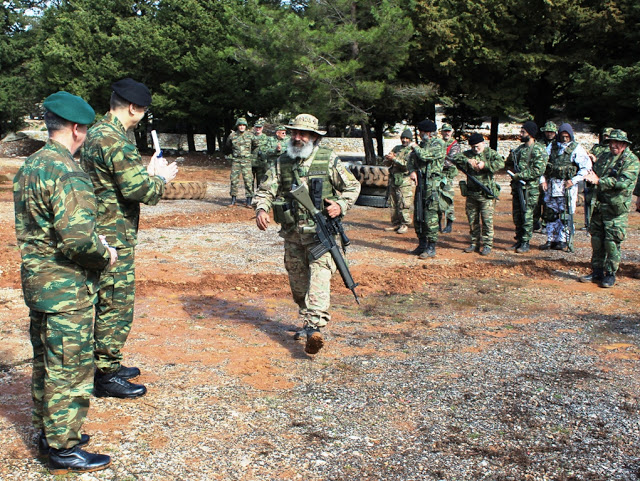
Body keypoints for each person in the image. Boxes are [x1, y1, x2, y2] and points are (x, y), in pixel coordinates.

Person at [14, 91, 117, 474]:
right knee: (69, 368)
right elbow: (77, 240)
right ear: (76, 128)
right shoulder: (67, 171)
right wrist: (105, 254)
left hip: (40, 285)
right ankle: (64, 447)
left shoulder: (32, 165)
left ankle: (50, 431)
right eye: (86, 129)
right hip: (66, 290)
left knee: (46, 363)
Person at [81, 78, 178, 399]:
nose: (142, 116)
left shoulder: (97, 132)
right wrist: (161, 179)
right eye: (142, 111)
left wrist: (146, 172)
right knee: (116, 304)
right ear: (133, 107)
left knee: (109, 300)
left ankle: (109, 363)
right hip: (114, 237)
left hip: (101, 229)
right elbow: (139, 191)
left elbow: (119, 181)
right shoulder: (117, 141)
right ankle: (107, 375)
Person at [254, 114, 360, 354]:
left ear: (313, 137)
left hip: (320, 234)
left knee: (320, 277)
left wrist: (340, 205)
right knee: (298, 285)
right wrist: (262, 208)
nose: (297, 137)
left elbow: (352, 186)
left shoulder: (328, 159)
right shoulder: (283, 162)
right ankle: (307, 319)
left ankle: (314, 328)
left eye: (303, 134)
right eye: (295, 133)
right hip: (292, 234)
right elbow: (266, 190)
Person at [580, 129, 639, 287]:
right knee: (597, 239)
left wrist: (599, 181)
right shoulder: (605, 157)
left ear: (624, 144)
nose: (613, 145)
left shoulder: (631, 161)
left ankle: (610, 274)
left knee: (612, 242)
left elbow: (623, 183)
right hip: (599, 205)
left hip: (616, 209)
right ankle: (597, 271)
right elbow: (595, 173)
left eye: (617, 143)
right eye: (611, 142)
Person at [540, 123, 592, 251]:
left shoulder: (576, 149)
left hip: (567, 186)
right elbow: (541, 165)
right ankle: (550, 239)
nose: (564, 139)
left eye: (567, 136)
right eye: (562, 136)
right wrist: (543, 180)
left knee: (565, 214)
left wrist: (573, 180)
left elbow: (586, 168)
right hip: (552, 185)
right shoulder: (551, 147)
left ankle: (563, 240)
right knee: (551, 213)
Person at [452, 133, 505, 255]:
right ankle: (474, 243)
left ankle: (487, 245)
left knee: (487, 221)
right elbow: (455, 158)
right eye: (473, 147)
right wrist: (468, 160)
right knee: (472, 220)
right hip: (471, 194)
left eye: (477, 146)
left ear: (483, 143)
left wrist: (485, 165)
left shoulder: (490, 153)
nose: (475, 149)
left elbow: (501, 163)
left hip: (486, 194)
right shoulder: (469, 154)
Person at [505, 121, 548, 253]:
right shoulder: (519, 150)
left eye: (523, 132)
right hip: (517, 187)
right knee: (517, 215)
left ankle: (525, 241)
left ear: (530, 133)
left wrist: (520, 175)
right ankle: (518, 239)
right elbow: (508, 163)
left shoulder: (538, 149)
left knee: (527, 215)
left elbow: (538, 170)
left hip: (530, 189)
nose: (520, 134)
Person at [407, 119, 446, 258]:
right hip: (421, 183)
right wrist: (412, 171)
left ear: (429, 133)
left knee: (431, 215)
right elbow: (411, 160)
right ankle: (422, 243)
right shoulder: (421, 145)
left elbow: (425, 155)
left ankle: (431, 246)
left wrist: (415, 147)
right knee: (419, 215)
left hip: (433, 184)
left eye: (422, 132)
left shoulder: (439, 144)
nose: (421, 134)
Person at [382, 128, 414, 234]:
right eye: (403, 138)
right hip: (394, 179)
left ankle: (404, 224)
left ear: (410, 139)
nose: (404, 140)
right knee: (393, 202)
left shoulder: (411, 150)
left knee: (403, 203)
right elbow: (387, 162)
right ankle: (396, 223)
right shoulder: (397, 148)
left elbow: (407, 165)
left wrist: (394, 159)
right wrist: (387, 159)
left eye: (406, 138)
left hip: (404, 180)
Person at [533, 120, 558, 231]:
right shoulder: (539, 144)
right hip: (540, 174)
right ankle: (535, 222)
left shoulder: (558, 144)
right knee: (537, 200)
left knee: (549, 202)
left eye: (552, 132)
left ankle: (546, 223)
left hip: (552, 176)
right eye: (548, 132)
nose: (549, 134)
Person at [226, 117, 257, 206]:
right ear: (237, 126)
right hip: (236, 160)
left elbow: (255, 145)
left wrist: (251, 156)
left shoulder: (250, 135)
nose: (242, 127)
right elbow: (228, 146)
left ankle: (248, 201)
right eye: (240, 125)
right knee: (234, 180)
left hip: (246, 160)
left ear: (246, 126)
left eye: (243, 125)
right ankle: (233, 199)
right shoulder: (232, 136)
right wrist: (231, 156)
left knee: (248, 180)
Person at [251, 121, 271, 192]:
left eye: (259, 127)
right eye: (256, 127)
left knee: (261, 182)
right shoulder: (250, 137)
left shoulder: (266, 138)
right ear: (254, 127)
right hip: (251, 163)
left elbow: (269, 149)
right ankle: (250, 198)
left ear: (262, 128)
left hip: (261, 164)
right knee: (250, 181)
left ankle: (258, 197)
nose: (258, 129)